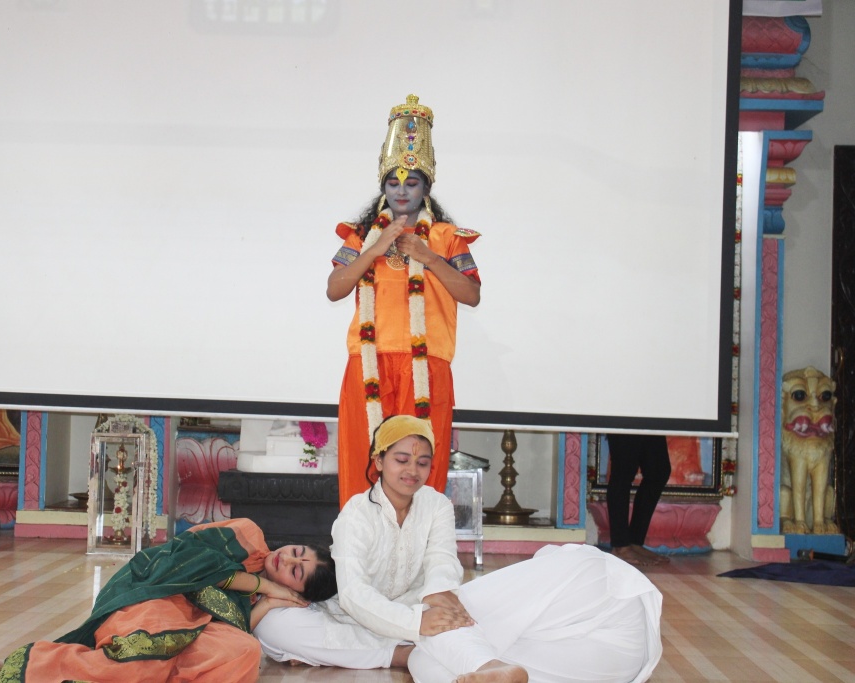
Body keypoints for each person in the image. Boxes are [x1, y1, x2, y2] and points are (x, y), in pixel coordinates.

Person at [256, 415, 663, 683]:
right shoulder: (356, 515)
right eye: (401, 459)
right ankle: (493, 667)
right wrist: (417, 623)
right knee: (426, 661)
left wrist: (437, 596)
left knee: (576, 566)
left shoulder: (436, 504)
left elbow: (442, 560)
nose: (412, 470)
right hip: (392, 620)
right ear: (378, 461)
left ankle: (490, 667)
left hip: (439, 605)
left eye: (422, 462)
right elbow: (355, 595)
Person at [329, 94, 482, 508]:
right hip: (369, 363)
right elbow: (335, 288)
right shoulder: (362, 235)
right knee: (364, 461)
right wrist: (376, 249)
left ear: (426, 188)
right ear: (383, 186)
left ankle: (419, 545)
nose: (401, 191)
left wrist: (428, 257)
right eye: (393, 183)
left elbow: (471, 295)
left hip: (427, 365)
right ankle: (362, 543)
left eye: (411, 183)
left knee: (419, 466)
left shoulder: (447, 237)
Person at [0, 518, 336, 683]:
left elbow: (233, 626)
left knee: (243, 650)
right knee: (146, 658)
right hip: (156, 593)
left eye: (296, 572)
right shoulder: (249, 536)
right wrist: (264, 584)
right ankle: (31, 667)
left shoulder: (260, 595)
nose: (288, 560)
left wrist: (268, 602)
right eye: (297, 552)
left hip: (194, 626)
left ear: (297, 591)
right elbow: (190, 560)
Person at [604, 433, 672, 566]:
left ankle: (635, 542)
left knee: (659, 471)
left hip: (652, 420)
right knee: (623, 470)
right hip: (624, 420)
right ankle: (620, 546)